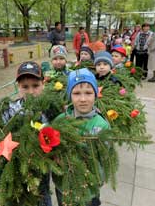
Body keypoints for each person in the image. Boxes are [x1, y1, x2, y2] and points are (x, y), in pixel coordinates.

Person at [54, 68, 110, 206]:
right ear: (70, 95)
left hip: (89, 188)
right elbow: (52, 151)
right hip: (64, 187)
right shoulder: (60, 120)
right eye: (77, 93)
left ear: (96, 95)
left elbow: (105, 158)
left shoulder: (101, 125)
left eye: (88, 93)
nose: (83, 99)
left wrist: (98, 179)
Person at [0, 61, 52, 206]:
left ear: (43, 84)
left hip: (42, 166)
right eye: (25, 87)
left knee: (42, 194)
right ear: (18, 87)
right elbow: (2, 135)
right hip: (17, 167)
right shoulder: (10, 110)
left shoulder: (50, 109)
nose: (30, 91)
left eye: (35, 86)